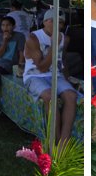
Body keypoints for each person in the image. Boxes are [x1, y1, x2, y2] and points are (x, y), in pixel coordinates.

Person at [23, 9, 78, 144]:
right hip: (35, 76)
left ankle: (64, 141)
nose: (57, 25)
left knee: (71, 95)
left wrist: (67, 79)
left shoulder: (65, 39)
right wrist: (54, 45)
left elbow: (62, 60)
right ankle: (54, 141)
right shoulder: (33, 38)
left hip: (56, 75)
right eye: (53, 21)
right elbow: (42, 67)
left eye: (60, 22)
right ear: (45, 22)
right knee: (50, 96)